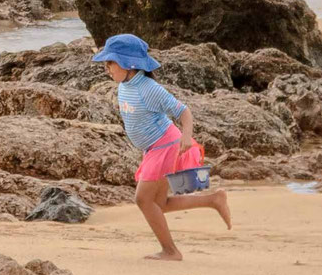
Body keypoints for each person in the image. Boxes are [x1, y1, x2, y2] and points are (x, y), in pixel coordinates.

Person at [94, 32, 232, 261]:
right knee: (159, 204)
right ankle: (213, 200)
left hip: (165, 146)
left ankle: (171, 251)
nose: (107, 68)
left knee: (143, 200)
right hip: (153, 149)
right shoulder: (125, 84)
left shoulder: (148, 88)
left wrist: (186, 138)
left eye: (111, 62)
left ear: (130, 64)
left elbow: (183, 111)